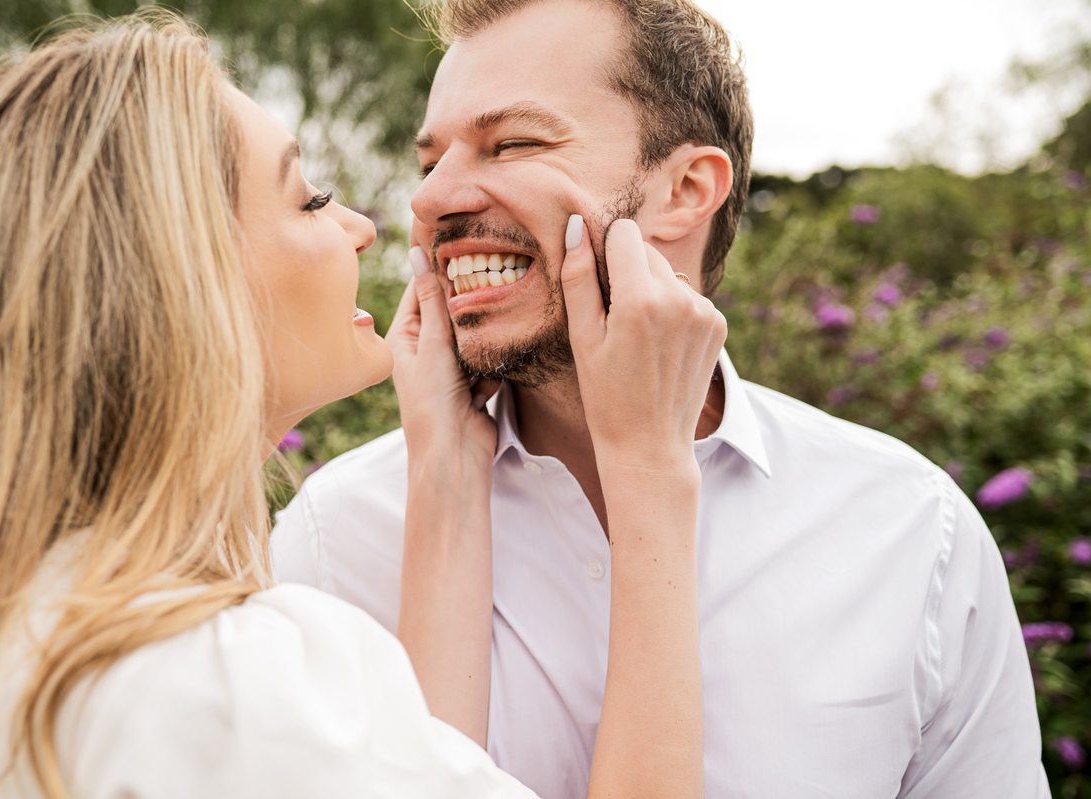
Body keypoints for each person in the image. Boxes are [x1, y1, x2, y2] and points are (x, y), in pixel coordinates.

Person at [0, 12, 724, 799]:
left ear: (690, 187)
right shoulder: (231, 677)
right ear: (182, 284)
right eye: (310, 198)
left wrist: (446, 468)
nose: (387, 219)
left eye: (512, 142)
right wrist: (651, 467)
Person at [271, 0, 1050, 796]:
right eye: (431, 160)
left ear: (686, 189)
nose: (431, 200)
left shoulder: (914, 534)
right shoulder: (334, 545)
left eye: (512, 143)